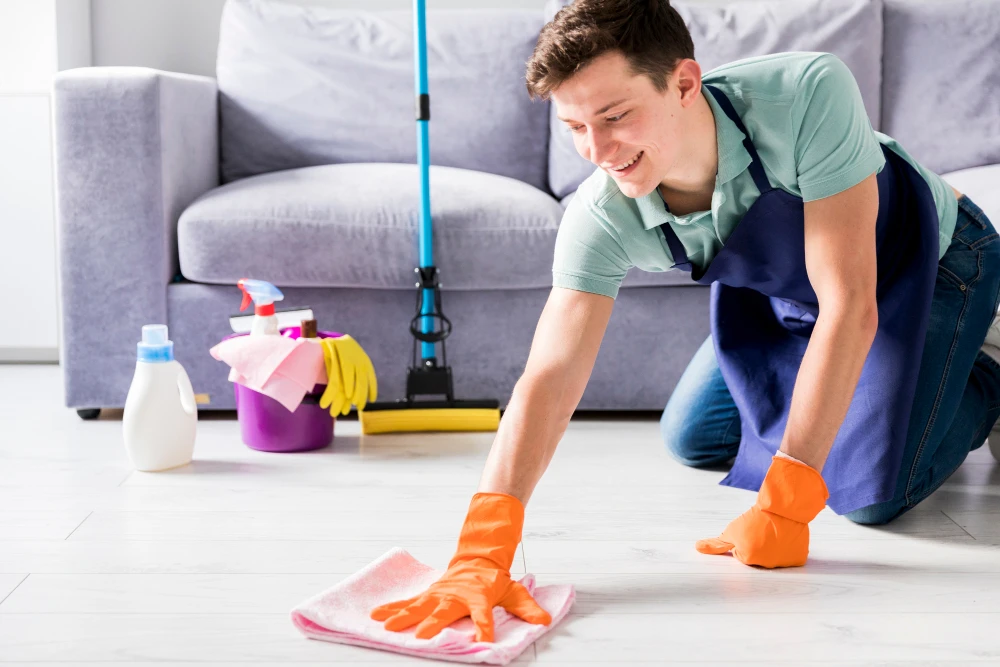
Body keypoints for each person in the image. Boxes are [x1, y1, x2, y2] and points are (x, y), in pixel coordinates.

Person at [370, 0, 1000, 643]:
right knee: (694, 438)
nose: (600, 151)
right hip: (790, 295)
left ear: (684, 83)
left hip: (928, 262)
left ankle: (988, 375)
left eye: (615, 116)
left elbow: (851, 306)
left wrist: (785, 502)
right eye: (574, 126)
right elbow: (551, 374)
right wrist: (482, 549)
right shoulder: (601, 215)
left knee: (869, 500)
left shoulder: (808, 92)